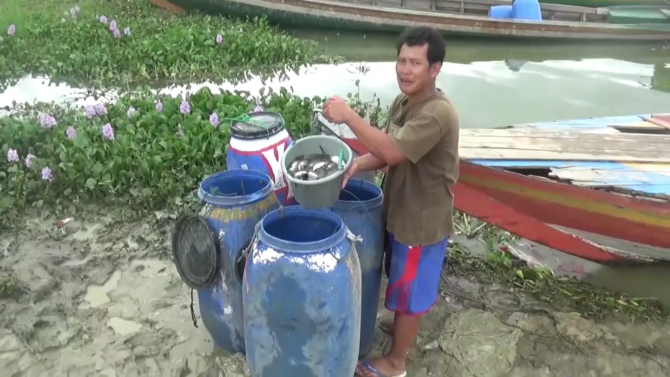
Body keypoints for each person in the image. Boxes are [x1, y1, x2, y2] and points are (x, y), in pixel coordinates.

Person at [322, 26, 459, 377]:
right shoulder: (405, 102)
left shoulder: (438, 113)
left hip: (421, 222)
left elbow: (394, 151)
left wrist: (351, 116)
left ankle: (396, 363)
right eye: (401, 60)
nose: (405, 70)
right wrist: (357, 164)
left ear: (435, 69)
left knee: (411, 295)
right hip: (400, 211)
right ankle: (400, 330)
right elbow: (385, 152)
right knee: (400, 279)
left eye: (416, 62)